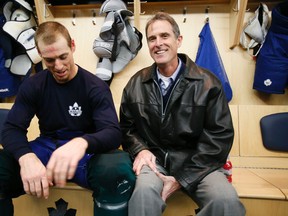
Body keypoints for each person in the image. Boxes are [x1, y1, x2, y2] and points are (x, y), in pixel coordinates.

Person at [0, 21, 135, 216]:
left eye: (63, 57)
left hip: (87, 155)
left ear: (72, 46)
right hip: (47, 149)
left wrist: (81, 143)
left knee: (117, 170)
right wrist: (26, 157)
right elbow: (11, 128)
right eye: (49, 60)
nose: (58, 66)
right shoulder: (33, 85)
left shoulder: (95, 87)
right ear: (40, 54)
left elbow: (113, 133)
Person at [119, 12, 246, 216]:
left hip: (199, 163)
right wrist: (140, 149)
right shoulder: (135, 84)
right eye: (152, 38)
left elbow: (219, 137)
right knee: (142, 195)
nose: (158, 43)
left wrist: (182, 179)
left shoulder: (208, 83)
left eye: (164, 36)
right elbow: (126, 128)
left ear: (178, 40)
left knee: (226, 202)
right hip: (155, 161)